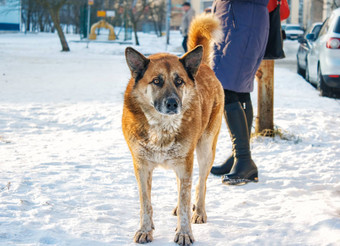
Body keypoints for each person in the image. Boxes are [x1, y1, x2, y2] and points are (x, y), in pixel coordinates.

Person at [210, 0, 269, 185]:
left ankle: (243, 159)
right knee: (239, 89)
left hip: (241, 26)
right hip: (236, 22)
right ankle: (240, 156)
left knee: (226, 88)